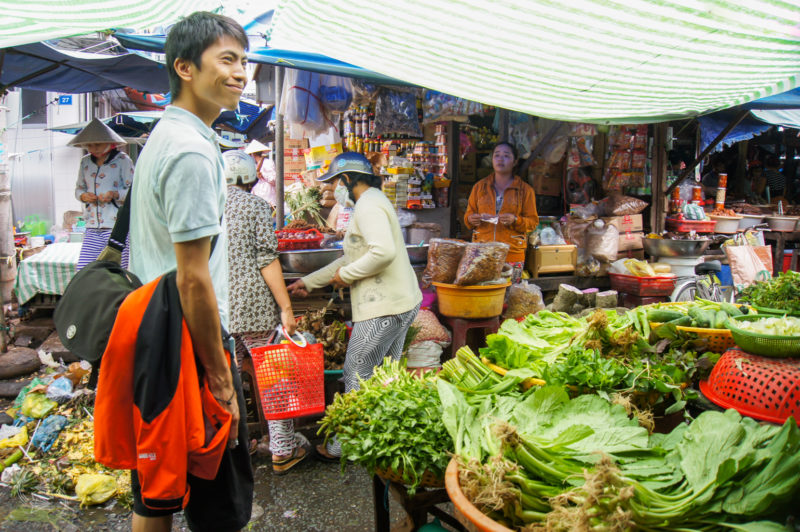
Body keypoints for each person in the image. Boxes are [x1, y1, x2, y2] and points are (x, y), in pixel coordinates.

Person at [126, 12, 252, 532]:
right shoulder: (192, 150)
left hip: (154, 337)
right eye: (227, 59)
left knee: (156, 489)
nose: (242, 72)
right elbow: (193, 277)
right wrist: (220, 375)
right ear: (184, 67)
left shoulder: (165, 135)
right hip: (186, 343)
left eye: (244, 61)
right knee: (218, 502)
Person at [287, 152, 422, 460]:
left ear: (347, 180)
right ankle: (383, 437)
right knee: (385, 376)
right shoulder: (371, 201)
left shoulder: (369, 206)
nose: (332, 189)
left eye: (335, 182)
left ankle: (344, 445)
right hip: (398, 301)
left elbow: (382, 252)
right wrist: (309, 282)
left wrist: (344, 277)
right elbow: (350, 258)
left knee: (357, 370)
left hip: (385, 307)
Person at [222, 149, 310, 474]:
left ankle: (237, 447)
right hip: (253, 309)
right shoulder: (256, 206)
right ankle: (283, 452)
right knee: (275, 380)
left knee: (229, 381)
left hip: (219, 310)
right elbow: (266, 260)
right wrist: (286, 308)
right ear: (250, 178)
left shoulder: (207, 207)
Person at [464, 141, 539, 279]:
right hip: (482, 251)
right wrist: (471, 218)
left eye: (506, 156)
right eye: (496, 155)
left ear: (515, 161)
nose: (500, 159)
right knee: (484, 293)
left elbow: (533, 222)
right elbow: (468, 215)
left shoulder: (525, 190)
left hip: (512, 252)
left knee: (511, 294)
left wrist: (515, 220)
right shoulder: (479, 187)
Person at [70, 118, 134, 270]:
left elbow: (133, 192)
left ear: (109, 143)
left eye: (97, 144)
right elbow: (79, 189)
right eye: (89, 145)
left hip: (117, 227)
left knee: (117, 270)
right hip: (92, 226)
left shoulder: (123, 161)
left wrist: (115, 195)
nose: (93, 148)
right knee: (84, 270)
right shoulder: (85, 162)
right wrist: (83, 196)